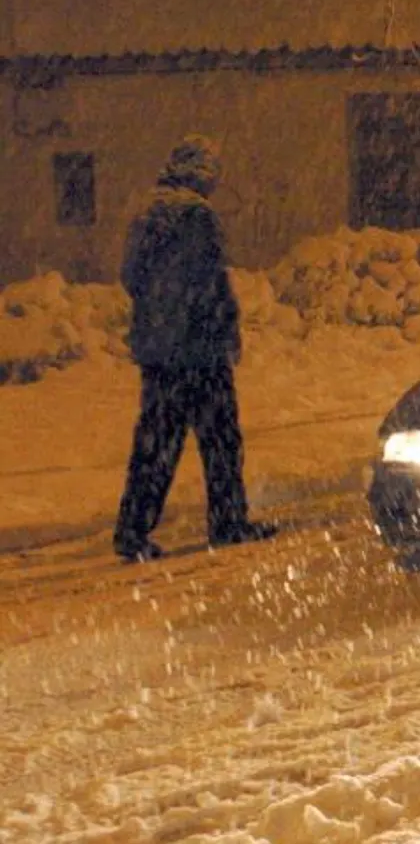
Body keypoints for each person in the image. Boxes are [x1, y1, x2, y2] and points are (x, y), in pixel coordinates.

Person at [114, 136, 275, 562]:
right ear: (201, 173)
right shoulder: (197, 216)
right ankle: (228, 522)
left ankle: (132, 529)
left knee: (156, 442)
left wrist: (158, 320)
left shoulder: (146, 213)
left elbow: (130, 277)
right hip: (198, 352)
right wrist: (224, 331)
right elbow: (210, 283)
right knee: (221, 440)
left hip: (158, 352)